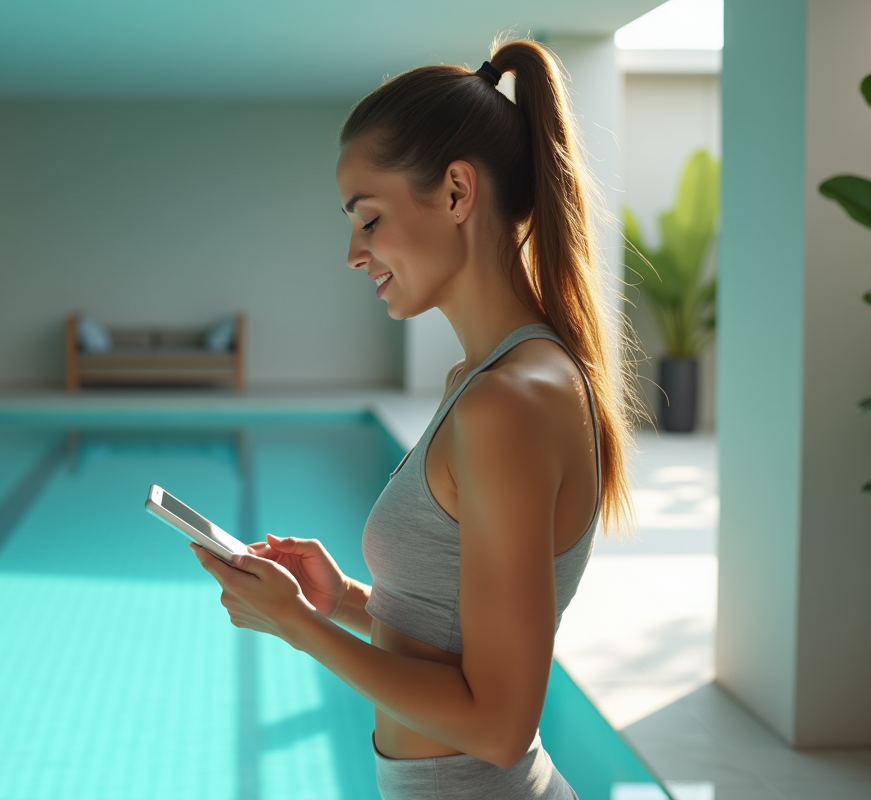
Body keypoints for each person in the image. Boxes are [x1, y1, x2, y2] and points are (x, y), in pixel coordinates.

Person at [191, 36, 635, 800]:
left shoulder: (508, 401)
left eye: (369, 219)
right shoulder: (486, 379)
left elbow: (498, 725)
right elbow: (459, 637)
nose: (353, 253)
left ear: (458, 193)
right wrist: (347, 602)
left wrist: (297, 626)